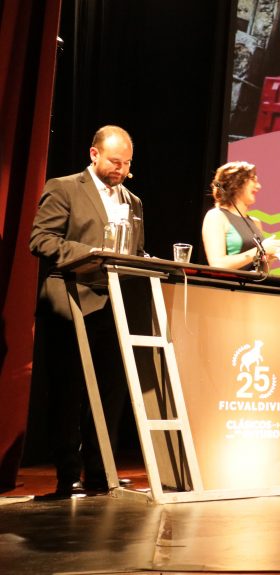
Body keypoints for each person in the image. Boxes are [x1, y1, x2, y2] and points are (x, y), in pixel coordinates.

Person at [28, 125, 144, 499]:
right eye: (114, 161)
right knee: (69, 390)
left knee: (110, 392)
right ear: (94, 154)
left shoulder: (133, 201)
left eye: (126, 164)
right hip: (71, 301)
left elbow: (132, 252)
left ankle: (100, 471)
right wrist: (92, 255)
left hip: (115, 306)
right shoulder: (64, 187)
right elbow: (41, 240)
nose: (121, 170)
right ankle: (68, 475)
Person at [201, 161, 280, 270]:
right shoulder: (216, 216)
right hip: (228, 285)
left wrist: (269, 258)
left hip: (252, 286)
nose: (258, 186)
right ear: (236, 183)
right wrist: (260, 249)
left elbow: (261, 272)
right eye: (253, 180)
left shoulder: (256, 222)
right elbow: (217, 264)